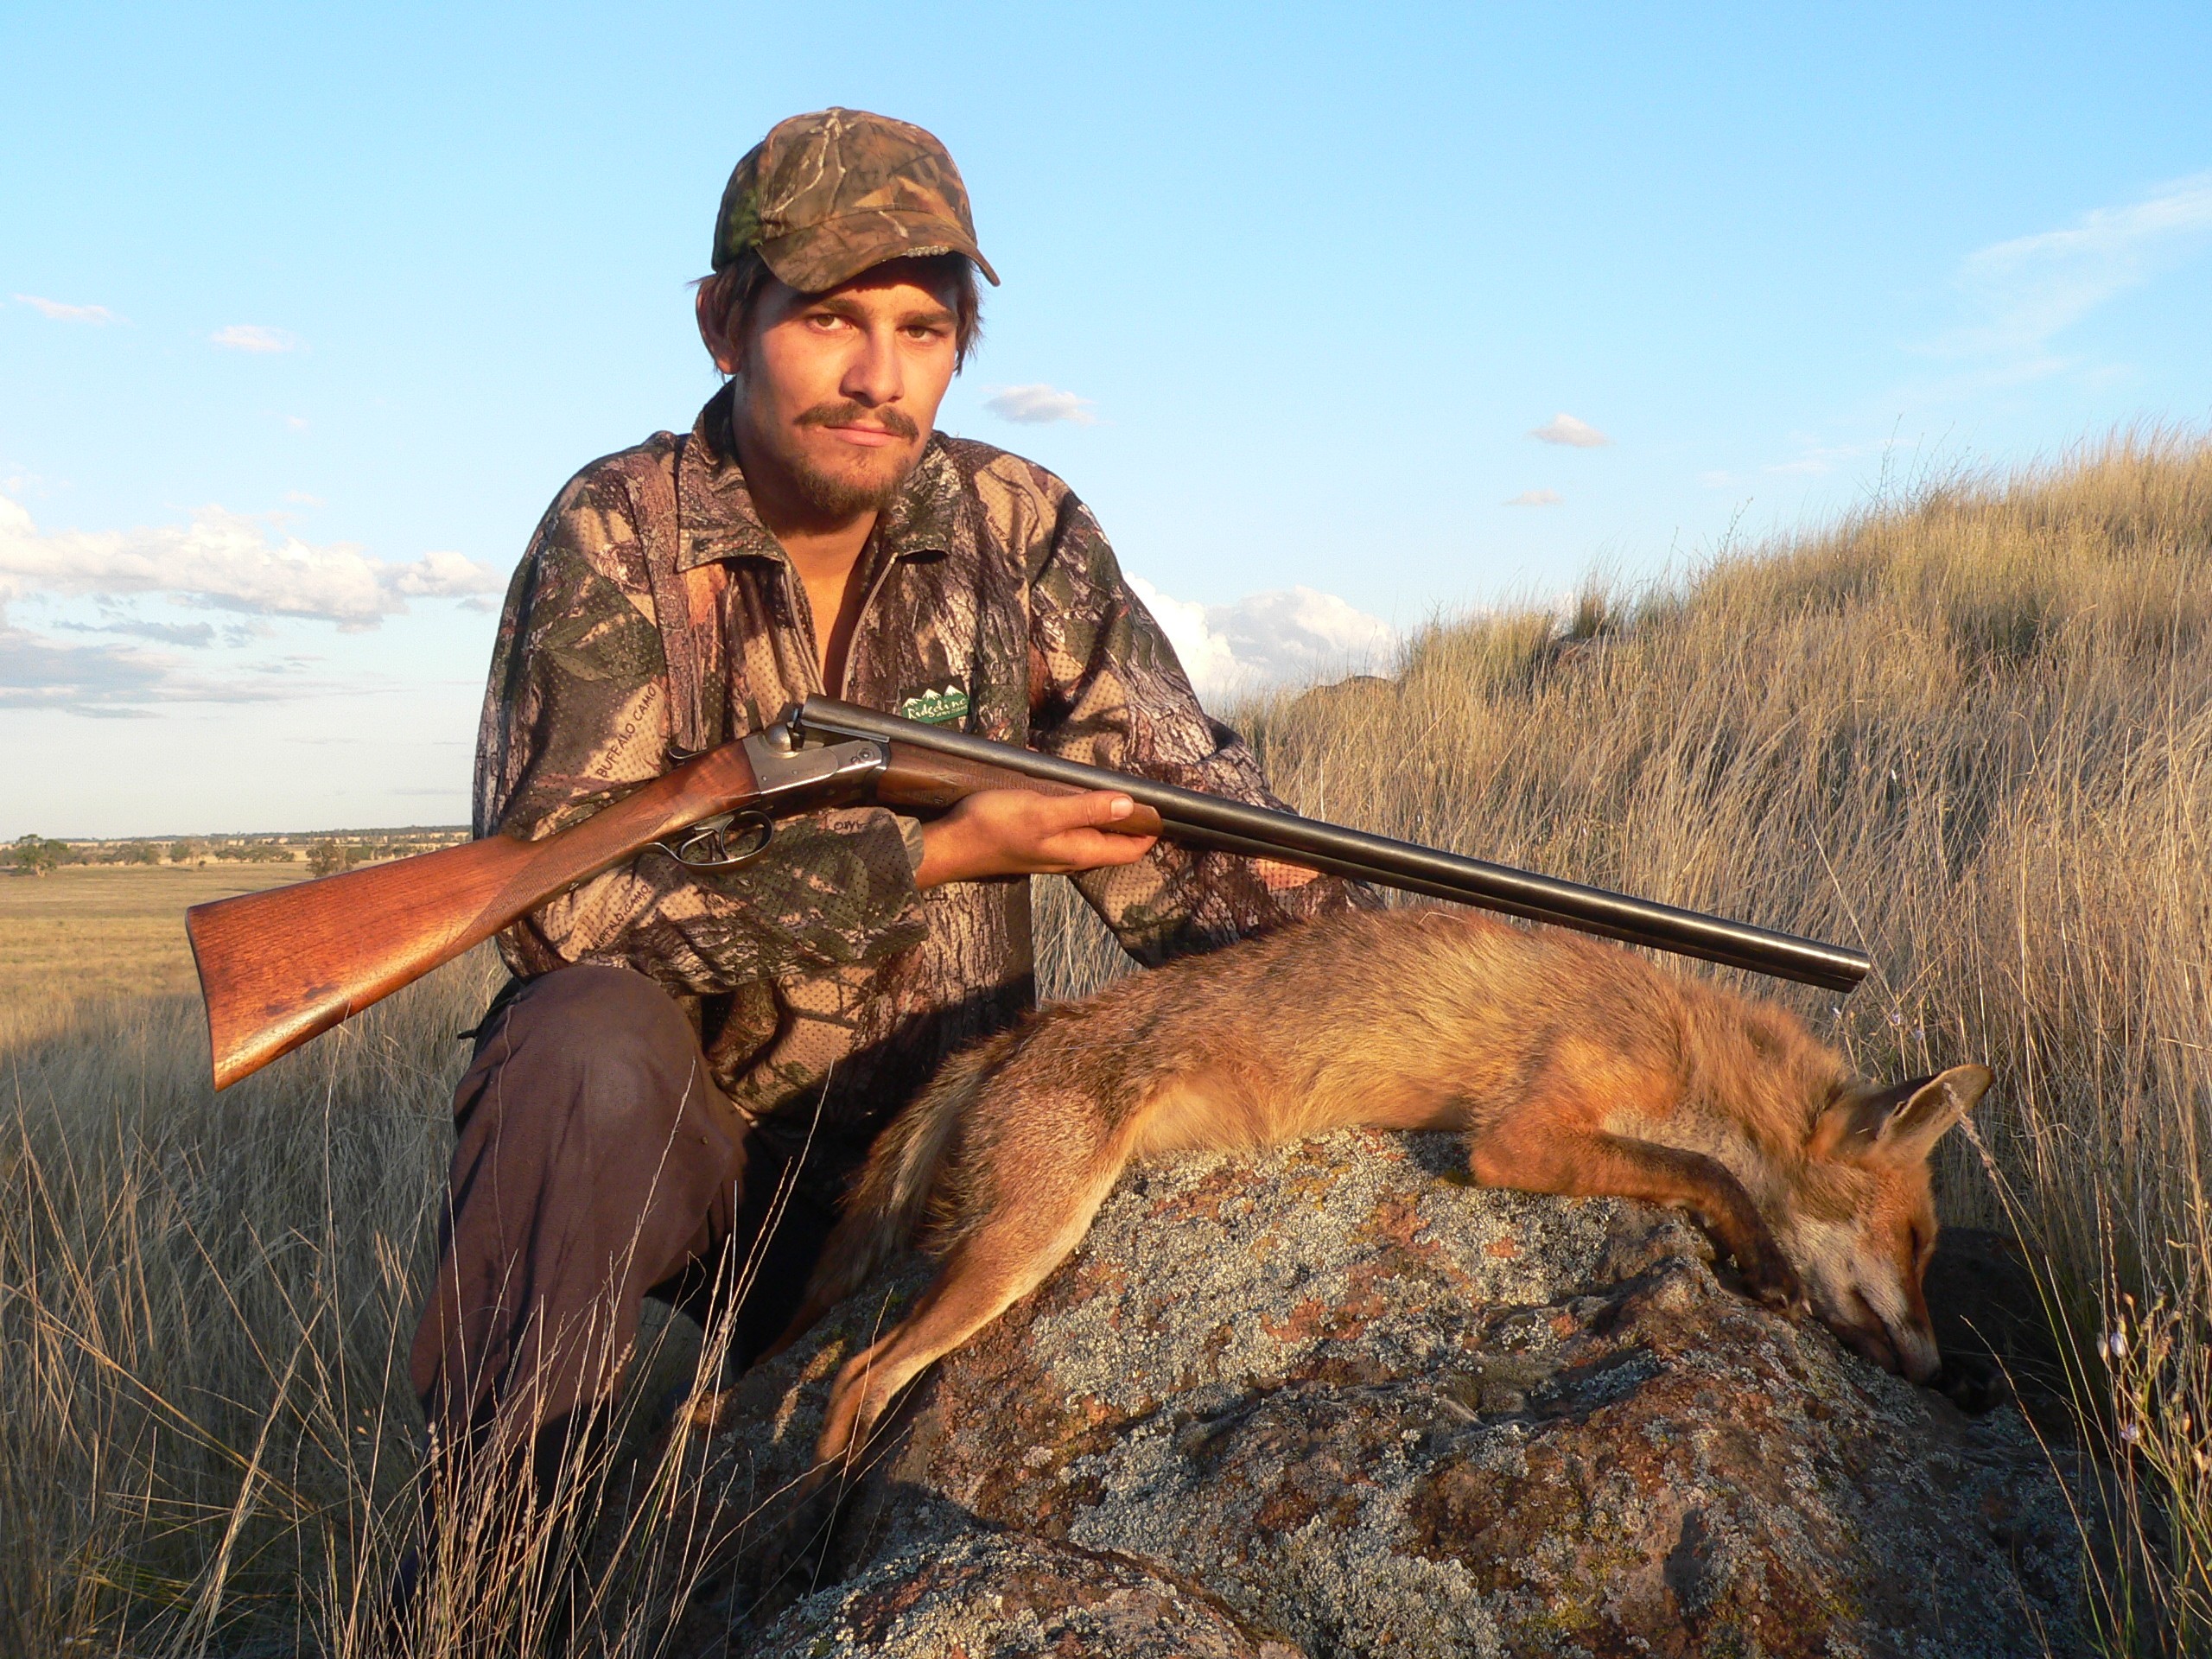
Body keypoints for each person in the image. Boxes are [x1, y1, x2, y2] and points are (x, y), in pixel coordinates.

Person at [409, 107, 1364, 1502]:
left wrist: (1410, 988)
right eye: (831, 319)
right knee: (571, 1045)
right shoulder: (617, 531)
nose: (878, 377)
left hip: (954, 1160)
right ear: (724, 322)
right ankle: (498, 1557)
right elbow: (550, 907)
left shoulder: (1017, 522)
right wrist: (924, 856)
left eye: (924, 330)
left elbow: (1188, 805)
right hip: (712, 1180)